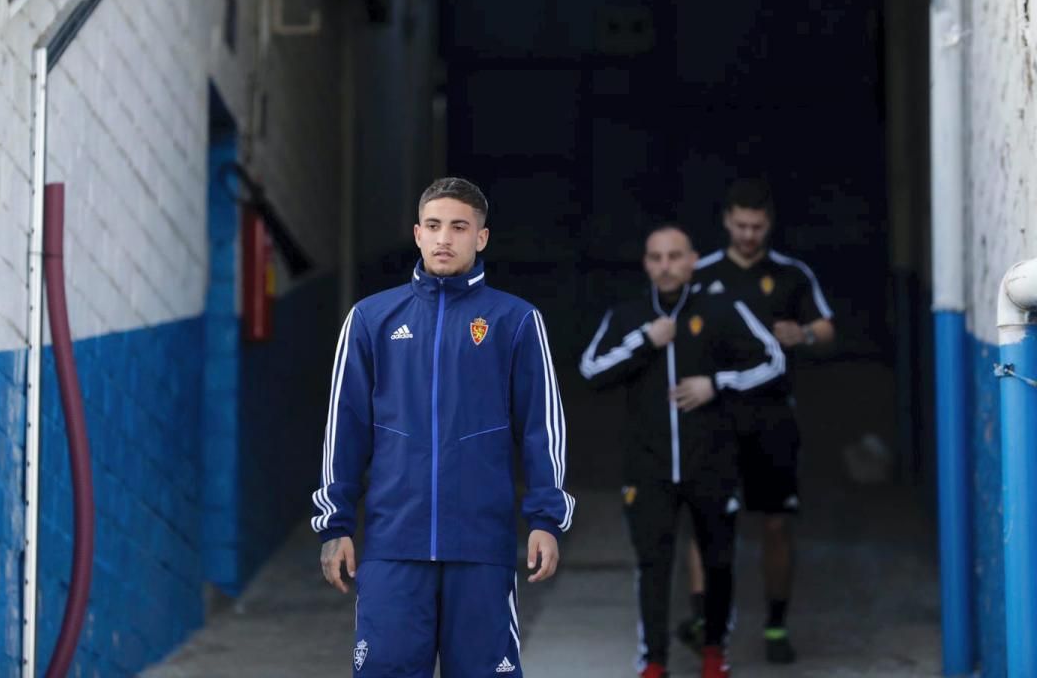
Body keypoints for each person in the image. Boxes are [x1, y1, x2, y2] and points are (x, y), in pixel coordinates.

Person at [311, 176, 575, 678]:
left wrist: (545, 517)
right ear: (416, 233)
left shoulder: (515, 320)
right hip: (394, 546)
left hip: (481, 548)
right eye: (433, 226)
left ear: (481, 237)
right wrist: (336, 523)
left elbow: (542, 426)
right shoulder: (371, 319)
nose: (443, 238)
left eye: (458, 227)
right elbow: (344, 430)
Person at [579, 224, 787, 678]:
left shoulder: (720, 309)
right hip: (648, 465)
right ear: (646, 264)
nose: (666, 266)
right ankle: (653, 661)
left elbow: (773, 360)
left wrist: (717, 384)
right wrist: (645, 342)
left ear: (693, 260)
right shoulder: (630, 314)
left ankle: (715, 652)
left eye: (675, 256)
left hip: (711, 461)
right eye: (656, 257)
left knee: (718, 560)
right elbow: (591, 370)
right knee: (652, 565)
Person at [677, 178, 835, 665]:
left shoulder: (791, 274)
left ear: (770, 224)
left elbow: (828, 329)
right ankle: (706, 619)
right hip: (711, 416)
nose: (749, 235)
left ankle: (774, 625)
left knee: (774, 525)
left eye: (758, 227)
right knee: (706, 524)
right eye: (741, 225)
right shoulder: (698, 273)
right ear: (726, 221)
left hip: (772, 418)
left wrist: (804, 333)